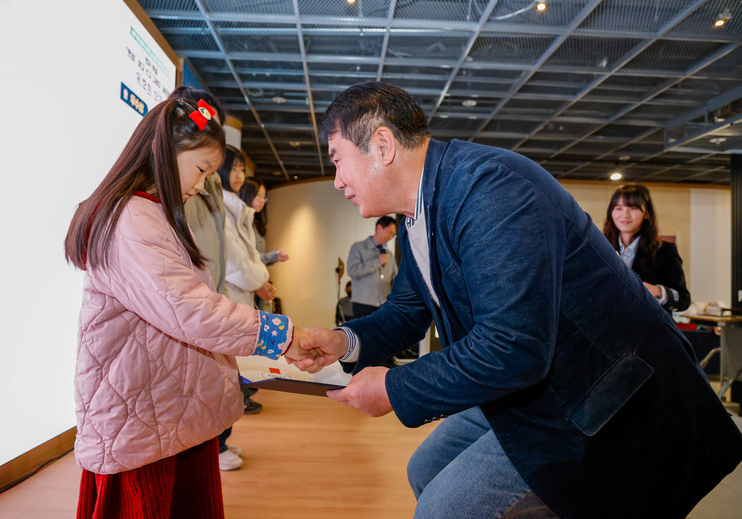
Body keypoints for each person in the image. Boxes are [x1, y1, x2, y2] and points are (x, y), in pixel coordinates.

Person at [293, 82, 742, 519]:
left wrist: (394, 387)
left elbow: (513, 346)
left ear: (382, 145)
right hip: (532, 385)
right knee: (425, 469)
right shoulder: (416, 216)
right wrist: (342, 341)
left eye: (337, 160)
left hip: (598, 395)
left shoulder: (491, 188)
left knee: (442, 510)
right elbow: (406, 311)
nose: (337, 181)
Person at [64, 97, 313, 518]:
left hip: (163, 407)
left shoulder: (152, 212)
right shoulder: (132, 220)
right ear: (166, 152)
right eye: (201, 169)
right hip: (142, 414)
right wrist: (281, 335)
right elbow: (191, 311)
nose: (201, 185)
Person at [168, 87, 242, 471]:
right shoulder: (163, 193)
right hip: (192, 297)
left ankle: (215, 443)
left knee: (215, 382)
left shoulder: (206, 181)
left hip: (210, 290)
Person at [220, 147, 271, 415]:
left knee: (238, 357)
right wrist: (261, 281)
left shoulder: (237, 209)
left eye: (242, 169)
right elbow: (237, 263)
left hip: (245, 291)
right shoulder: (223, 207)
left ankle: (238, 405)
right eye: (234, 169)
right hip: (234, 293)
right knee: (230, 361)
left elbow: (249, 257)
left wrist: (261, 279)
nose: (239, 175)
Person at [603, 183, 690, 312]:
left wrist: (658, 291)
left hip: (647, 323)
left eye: (633, 208)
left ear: (646, 213)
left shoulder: (664, 250)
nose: (625, 215)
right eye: (619, 208)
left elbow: (683, 300)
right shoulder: (601, 248)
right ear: (611, 212)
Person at [347, 216, 398, 319]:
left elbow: (395, 277)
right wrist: (377, 262)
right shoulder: (358, 248)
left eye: (393, 235)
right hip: (363, 304)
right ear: (379, 228)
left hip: (384, 305)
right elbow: (352, 270)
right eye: (390, 232)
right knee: (363, 330)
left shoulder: (389, 254)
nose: (390, 237)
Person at [239, 177, 289, 266]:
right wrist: (270, 257)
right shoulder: (240, 222)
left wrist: (273, 258)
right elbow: (246, 258)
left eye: (264, 197)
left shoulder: (256, 223)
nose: (262, 200)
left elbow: (257, 263)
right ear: (247, 194)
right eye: (258, 195)